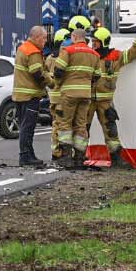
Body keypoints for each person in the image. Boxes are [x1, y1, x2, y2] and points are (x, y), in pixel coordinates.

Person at [89, 27, 136, 168]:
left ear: (103, 42)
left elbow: (132, 54)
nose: (92, 44)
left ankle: (116, 159)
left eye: (95, 42)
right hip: (87, 101)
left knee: (111, 131)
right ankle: (78, 158)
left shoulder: (115, 56)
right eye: (92, 41)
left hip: (106, 103)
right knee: (81, 130)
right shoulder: (89, 56)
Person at [53, 27, 102, 168]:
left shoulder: (68, 51)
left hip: (69, 94)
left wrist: (59, 83)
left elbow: (58, 70)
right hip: (85, 94)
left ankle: (66, 157)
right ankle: (80, 158)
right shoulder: (94, 54)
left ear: (74, 37)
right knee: (81, 125)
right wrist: (87, 84)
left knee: (65, 124)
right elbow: (97, 75)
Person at [12, 25, 49, 166]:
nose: (45, 41)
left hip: (20, 95)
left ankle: (28, 154)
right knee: (28, 127)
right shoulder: (33, 51)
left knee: (24, 126)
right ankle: (26, 157)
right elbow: (37, 73)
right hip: (30, 96)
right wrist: (50, 82)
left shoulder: (23, 48)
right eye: (44, 38)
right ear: (36, 37)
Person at [44, 28, 70, 163]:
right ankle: (58, 152)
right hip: (60, 96)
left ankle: (56, 151)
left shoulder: (49, 58)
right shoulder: (63, 57)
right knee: (61, 125)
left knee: (56, 124)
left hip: (53, 96)